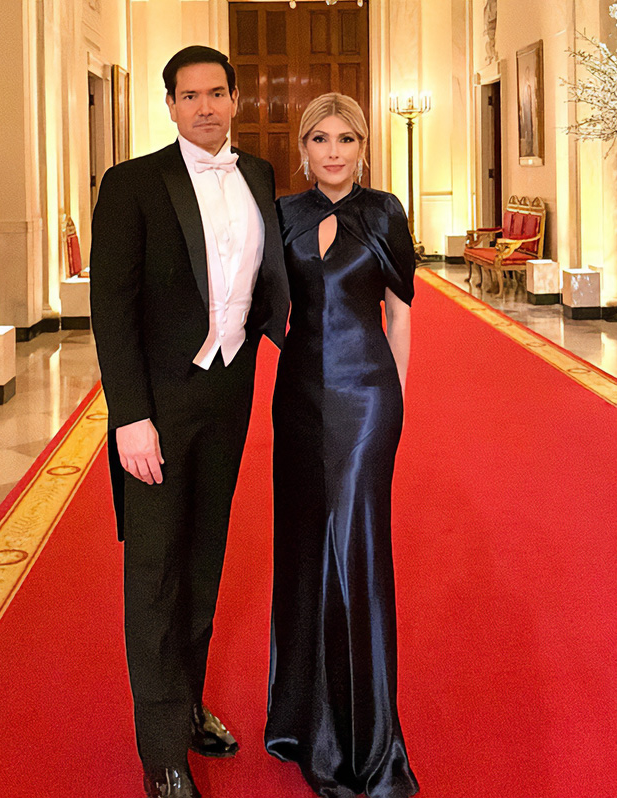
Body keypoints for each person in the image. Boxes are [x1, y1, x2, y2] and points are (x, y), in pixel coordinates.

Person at [90, 46, 289, 798]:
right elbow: (110, 311)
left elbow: (271, 280)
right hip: (158, 412)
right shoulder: (134, 183)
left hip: (229, 399)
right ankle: (161, 754)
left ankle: (188, 706)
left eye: (216, 93)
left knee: (204, 561)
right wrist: (130, 418)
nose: (204, 107)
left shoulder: (261, 176)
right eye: (189, 95)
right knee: (155, 572)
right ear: (169, 106)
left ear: (235, 99)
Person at [264, 93, 420, 798]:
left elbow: (401, 315)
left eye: (346, 139)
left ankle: (366, 738)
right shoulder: (283, 214)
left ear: (363, 147)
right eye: (321, 139)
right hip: (296, 400)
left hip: (365, 400)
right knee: (302, 549)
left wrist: (397, 403)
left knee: (354, 551)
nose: (333, 151)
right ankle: (303, 722)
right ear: (304, 148)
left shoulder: (385, 211)